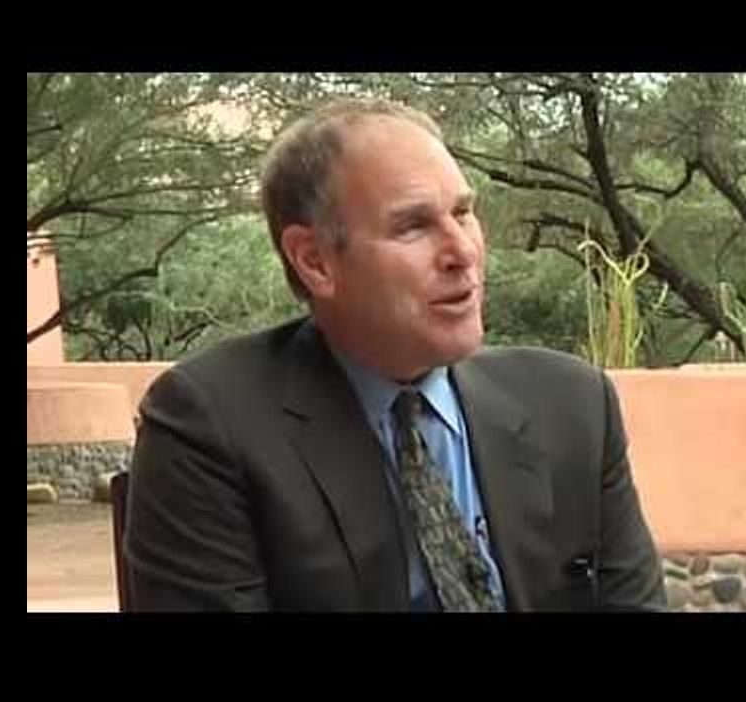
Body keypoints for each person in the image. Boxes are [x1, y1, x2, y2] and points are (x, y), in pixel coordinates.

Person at [123, 97, 666, 612]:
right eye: (413, 226)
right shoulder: (209, 426)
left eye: (463, 212)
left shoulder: (572, 405)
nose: (462, 251)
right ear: (315, 260)